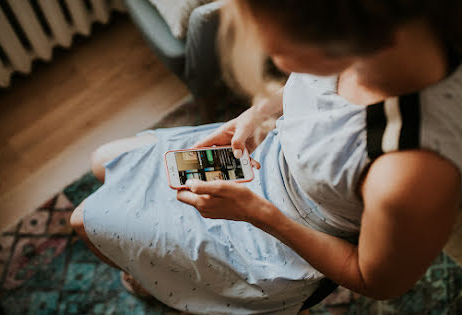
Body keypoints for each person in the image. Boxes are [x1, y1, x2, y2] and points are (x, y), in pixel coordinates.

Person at [70, 0, 462, 314]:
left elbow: (373, 281)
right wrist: (260, 114)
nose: (265, 53)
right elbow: (320, 82)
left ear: (347, 40)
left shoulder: (409, 175)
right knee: (103, 160)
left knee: (85, 220)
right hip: (270, 160)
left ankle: (173, 284)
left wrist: (256, 213)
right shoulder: (392, 37)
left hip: (286, 238)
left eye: (278, 49)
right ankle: (165, 273)